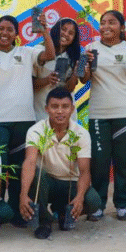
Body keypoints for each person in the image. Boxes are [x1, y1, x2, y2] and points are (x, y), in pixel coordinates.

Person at [0, 13, 54, 215]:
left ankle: (18, 210)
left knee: (18, 169)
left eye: (9, 29)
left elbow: (50, 55)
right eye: (1, 29)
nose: (4, 33)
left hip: (25, 120)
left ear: (16, 33)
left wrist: (45, 31)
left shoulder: (26, 52)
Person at [81, 10, 126, 221]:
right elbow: (84, 79)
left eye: (112, 22)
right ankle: (98, 204)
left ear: (122, 27)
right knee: (99, 162)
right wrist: (86, 64)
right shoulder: (90, 48)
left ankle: (123, 204)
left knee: (124, 161)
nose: (106, 26)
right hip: (99, 112)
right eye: (102, 22)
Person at [20, 88, 101, 239]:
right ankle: (44, 221)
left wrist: (80, 197)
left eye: (65, 106)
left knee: (93, 201)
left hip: (70, 183)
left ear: (72, 109)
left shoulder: (81, 133)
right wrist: (23, 195)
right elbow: (30, 162)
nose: (60, 111)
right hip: (46, 183)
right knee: (37, 175)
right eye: (54, 106)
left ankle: (63, 212)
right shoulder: (36, 130)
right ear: (46, 109)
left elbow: (84, 172)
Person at [33, 17, 80, 120]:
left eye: (71, 33)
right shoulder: (38, 50)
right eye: (63, 29)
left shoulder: (73, 57)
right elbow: (31, 84)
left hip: (66, 118)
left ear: (74, 39)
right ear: (55, 29)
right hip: (41, 114)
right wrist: (47, 80)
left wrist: (76, 72)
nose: (66, 34)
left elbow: (69, 89)